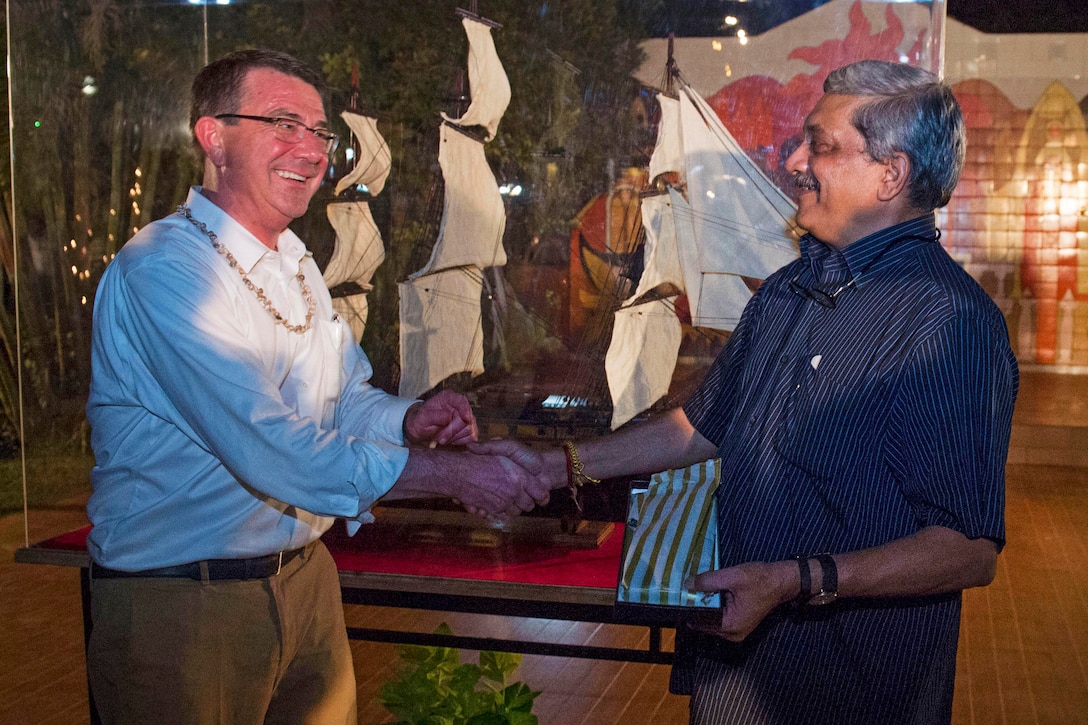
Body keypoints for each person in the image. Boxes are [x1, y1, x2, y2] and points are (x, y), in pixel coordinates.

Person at [483, 59, 1019, 723]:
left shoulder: (948, 321)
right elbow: (700, 425)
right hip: (736, 674)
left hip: (850, 691)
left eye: (819, 144)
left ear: (891, 175)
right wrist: (559, 464)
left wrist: (795, 580)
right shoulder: (789, 291)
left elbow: (967, 549)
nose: (793, 159)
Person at [84, 49, 549, 725]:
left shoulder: (295, 260)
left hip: (307, 581)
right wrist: (451, 476)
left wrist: (408, 420)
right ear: (214, 136)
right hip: (186, 605)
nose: (310, 148)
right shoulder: (164, 272)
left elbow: (344, 394)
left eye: (320, 131)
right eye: (283, 123)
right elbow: (270, 445)